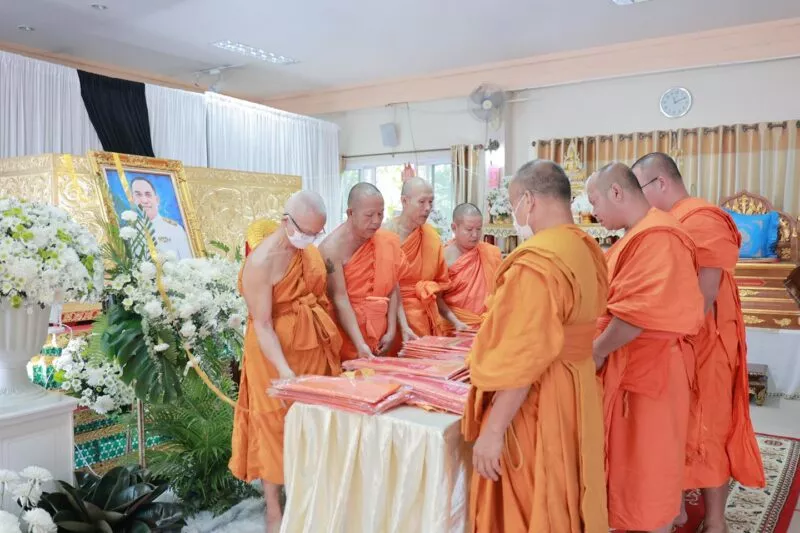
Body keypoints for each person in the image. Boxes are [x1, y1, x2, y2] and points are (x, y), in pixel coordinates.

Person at [463, 160, 608, 533]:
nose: (515, 215)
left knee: (534, 500)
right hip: (578, 387)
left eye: (514, 204)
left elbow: (525, 359)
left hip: (543, 396)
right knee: (569, 485)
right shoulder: (585, 247)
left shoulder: (537, 263)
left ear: (528, 200)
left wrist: (493, 432)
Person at [632, 152, 765, 531]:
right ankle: (674, 506)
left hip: (707, 342)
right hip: (676, 341)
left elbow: (702, 298)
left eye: (640, 189)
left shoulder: (703, 219)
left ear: (660, 182)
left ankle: (715, 519)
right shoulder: (667, 221)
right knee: (674, 426)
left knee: (710, 426)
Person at [588, 162, 705, 533]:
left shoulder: (659, 236)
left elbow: (637, 314)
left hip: (650, 373)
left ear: (616, 192)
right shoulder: (637, 234)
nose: (593, 211)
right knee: (630, 466)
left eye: (595, 201)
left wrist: (597, 350)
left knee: (650, 468)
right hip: (632, 366)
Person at [229, 190, 342, 532]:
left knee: (313, 420)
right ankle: (274, 509)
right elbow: (262, 324)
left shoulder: (307, 250)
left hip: (311, 345)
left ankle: (307, 494)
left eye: (317, 233)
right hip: (272, 353)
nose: (311, 239)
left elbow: (317, 293)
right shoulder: (260, 263)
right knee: (273, 425)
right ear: (287, 222)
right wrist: (284, 369)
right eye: (307, 232)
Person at [319, 183, 407, 359]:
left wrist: (391, 329)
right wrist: (360, 344)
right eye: (369, 215)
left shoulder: (386, 240)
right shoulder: (332, 249)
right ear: (350, 213)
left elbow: (391, 285)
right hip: (348, 336)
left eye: (380, 214)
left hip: (381, 336)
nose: (376, 221)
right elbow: (339, 298)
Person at [383, 177, 466, 346]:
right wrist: (400, 326)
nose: (428, 208)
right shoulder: (385, 235)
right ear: (404, 201)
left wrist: (455, 321)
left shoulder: (431, 237)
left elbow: (436, 291)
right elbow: (384, 288)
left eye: (431, 201)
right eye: (422, 202)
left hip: (425, 320)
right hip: (390, 323)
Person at [439, 203, 502, 334]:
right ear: (454, 228)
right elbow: (436, 298)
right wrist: (456, 322)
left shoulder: (490, 253)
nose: (475, 235)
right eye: (469, 229)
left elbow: (501, 290)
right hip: (455, 328)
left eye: (479, 229)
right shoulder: (443, 257)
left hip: (488, 327)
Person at [130, 177, 193, 259]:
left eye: (148, 194)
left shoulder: (175, 229)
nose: (144, 200)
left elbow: (188, 262)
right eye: (138, 195)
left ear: (157, 200)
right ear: (132, 200)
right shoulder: (128, 231)